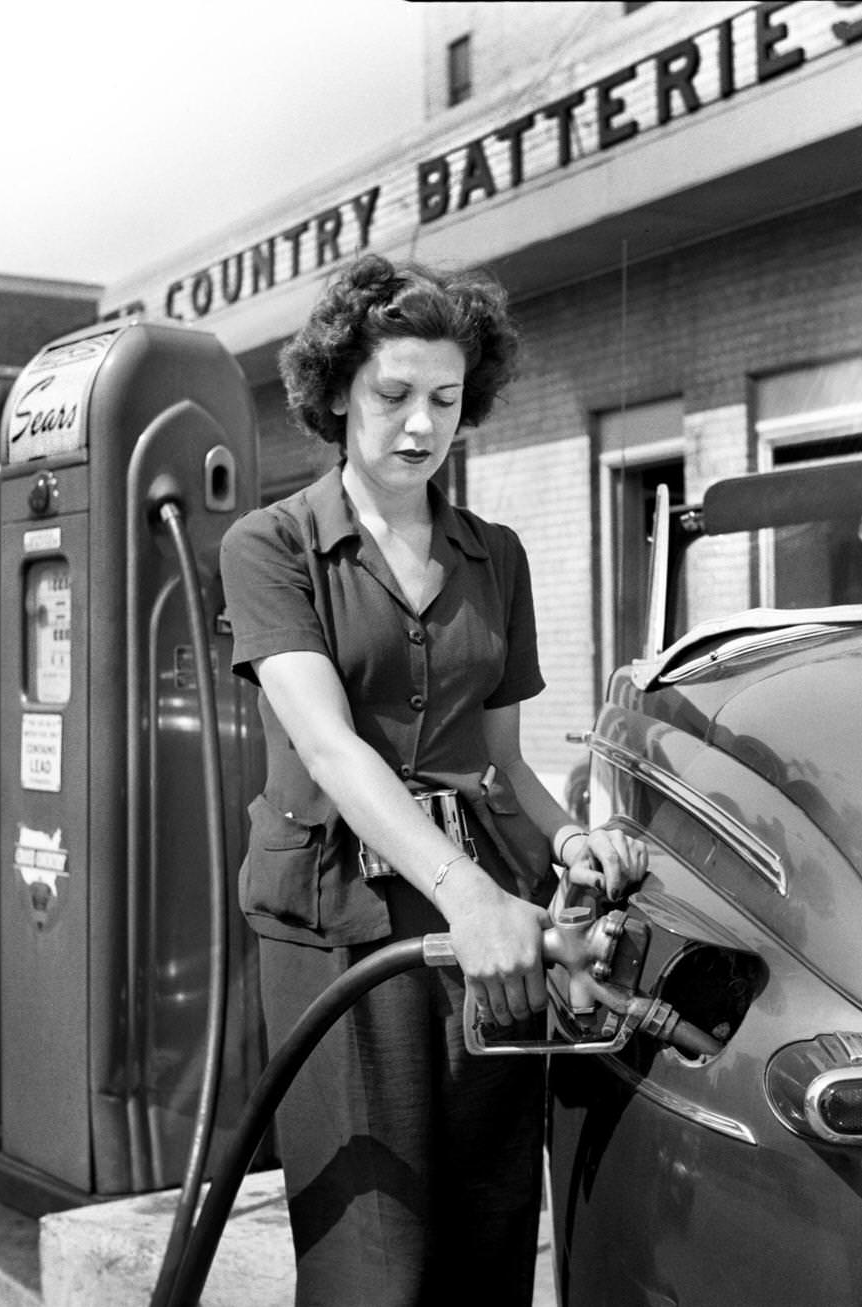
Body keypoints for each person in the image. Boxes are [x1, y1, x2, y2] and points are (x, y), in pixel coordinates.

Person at [219, 252, 647, 1307]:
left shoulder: (494, 554)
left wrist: (564, 842)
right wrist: (467, 891)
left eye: (445, 399)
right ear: (335, 394)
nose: (420, 424)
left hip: (489, 928)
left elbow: (499, 762)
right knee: (378, 1258)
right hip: (340, 926)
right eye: (393, 394)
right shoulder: (272, 545)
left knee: (491, 1231)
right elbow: (329, 745)